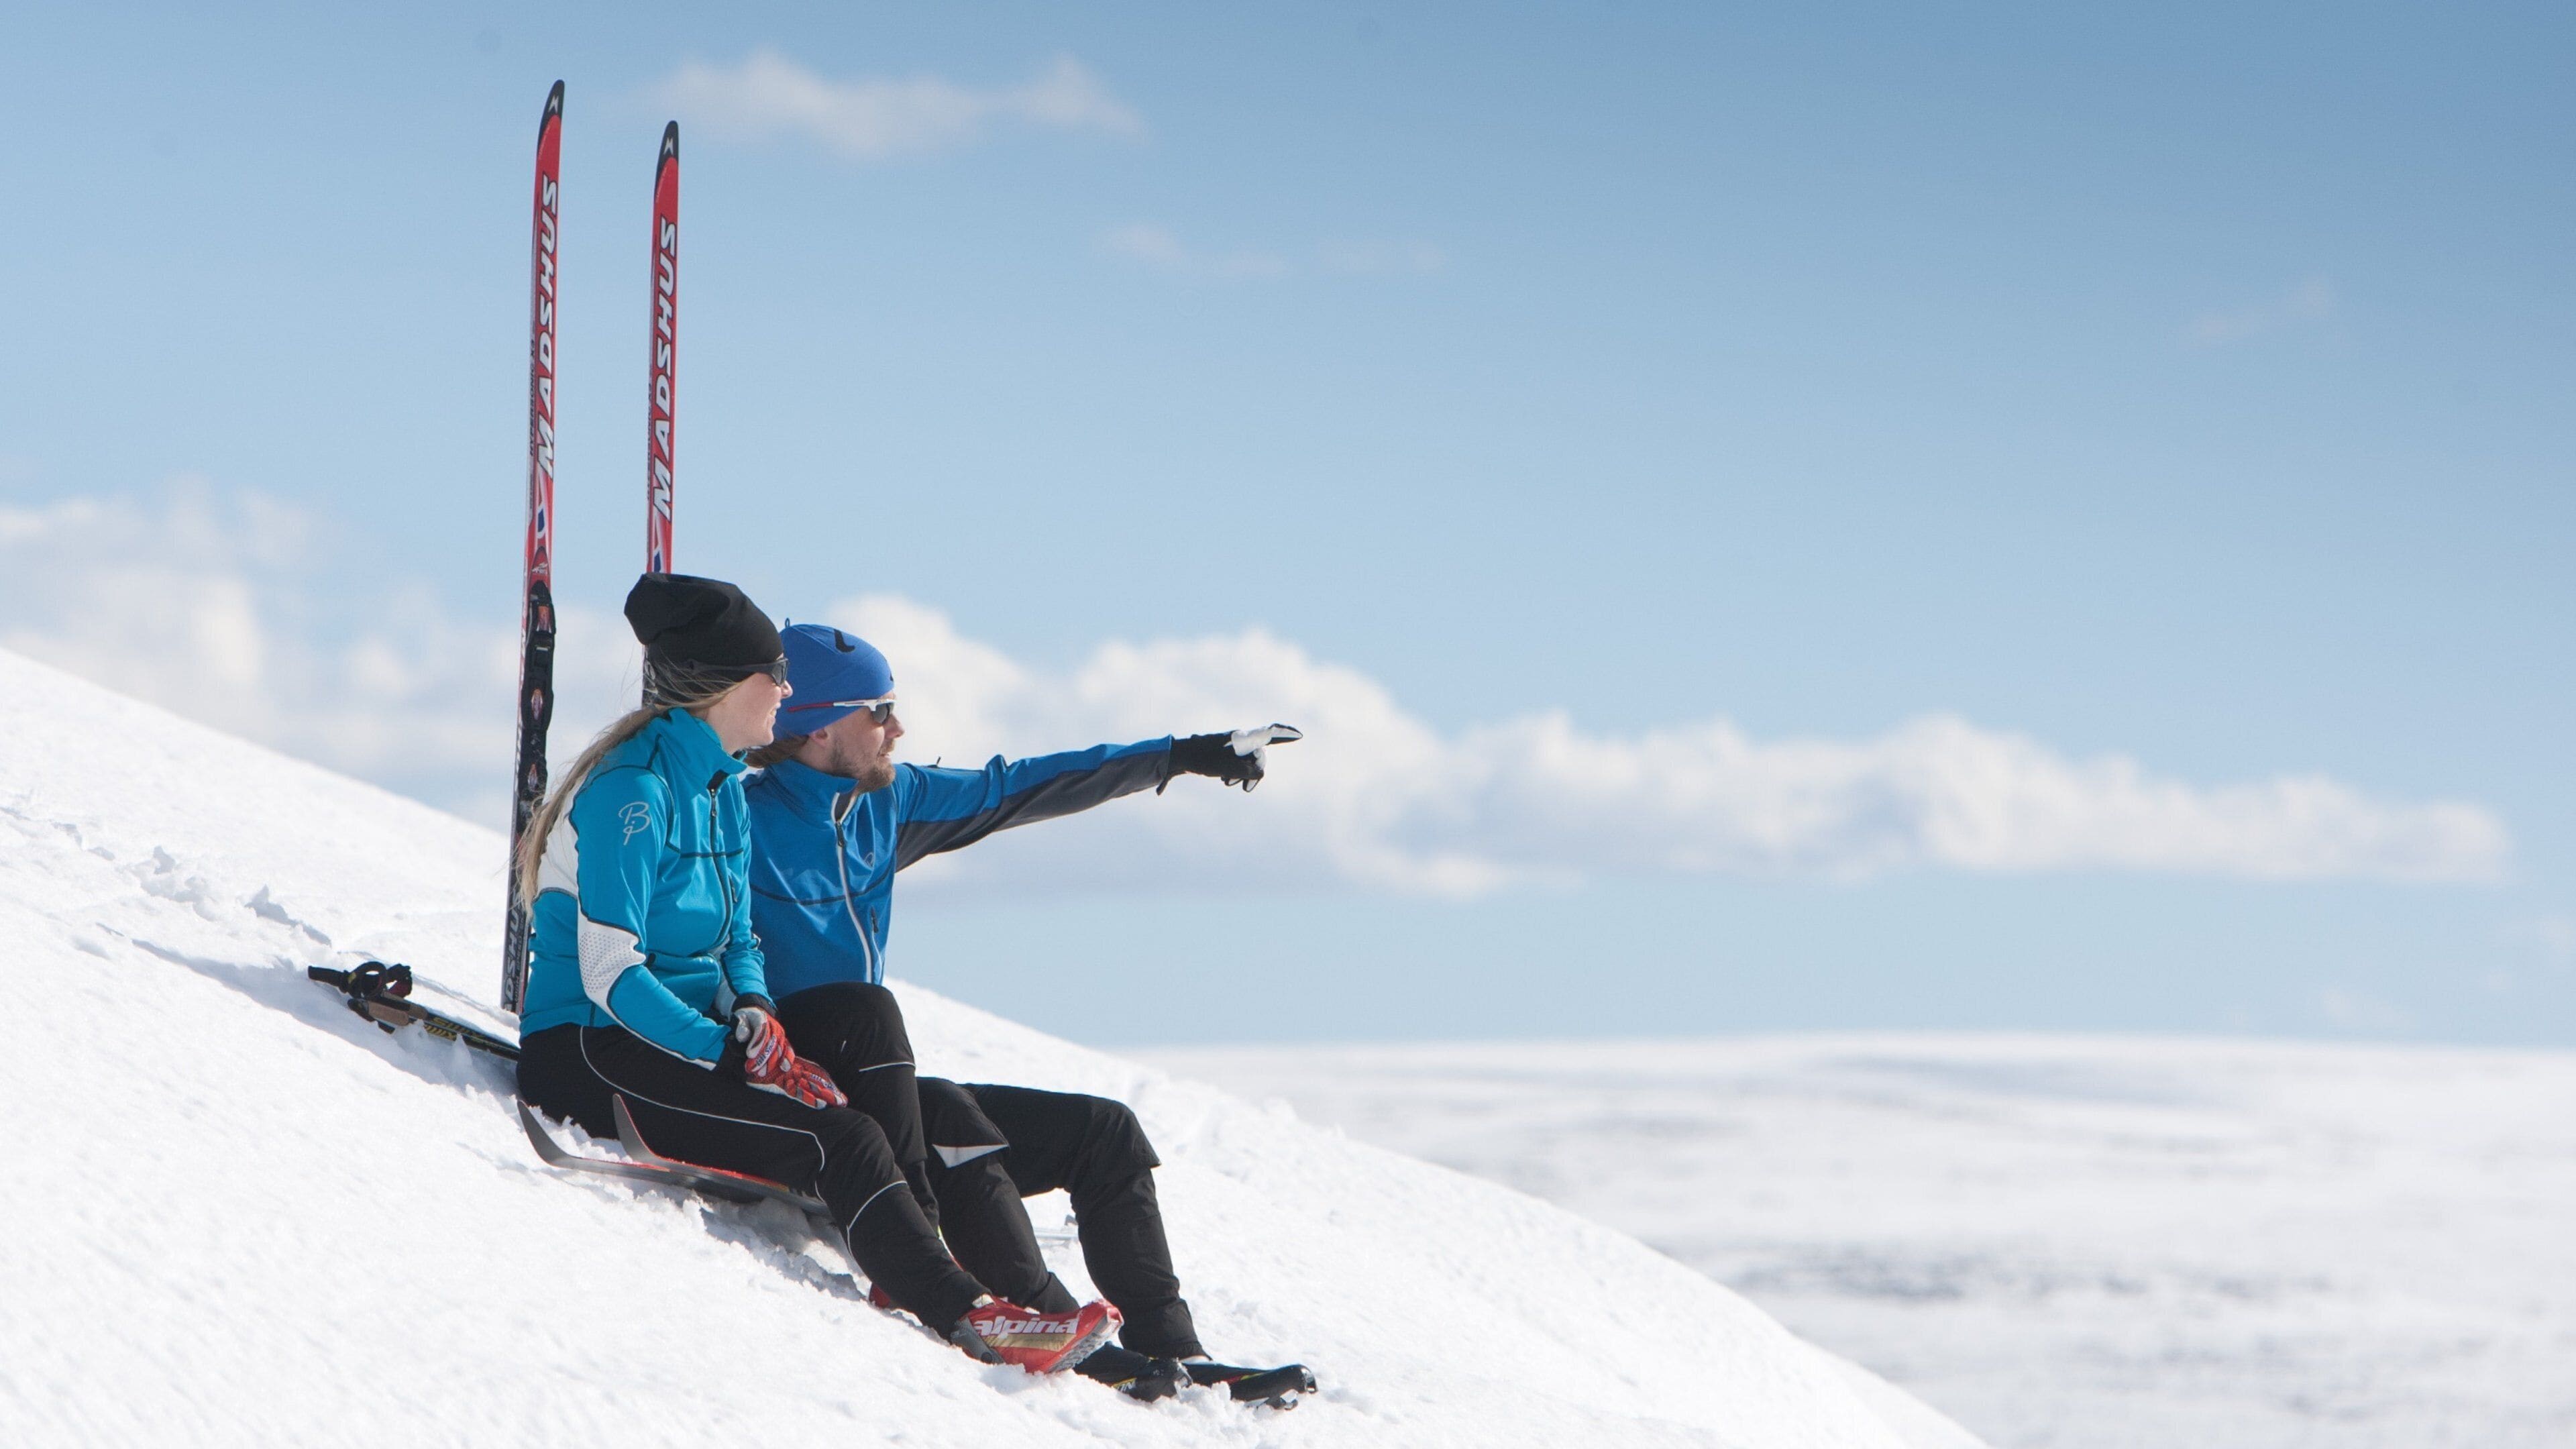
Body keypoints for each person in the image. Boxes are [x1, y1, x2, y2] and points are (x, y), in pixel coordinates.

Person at [512, 574, 1117, 1373]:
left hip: (682, 1039)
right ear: (731, 686)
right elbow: (607, 974)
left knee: (865, 1019)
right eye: (778, 675)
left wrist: (757, 1013)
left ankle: (933, 1261)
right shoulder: (635, 791)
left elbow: (738, 941)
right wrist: (725, 1052)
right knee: (842, 1141)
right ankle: (967, 1310)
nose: (789, 691)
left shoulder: (722, 783)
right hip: (592, 1049)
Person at [741, 621, 1305, 1401]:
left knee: (1104, 1132)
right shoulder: (735, 821)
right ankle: (1047, 1327)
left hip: (881, 1086)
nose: (898, 728)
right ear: (821, 725)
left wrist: (1180, 755)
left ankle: (1173, 1350)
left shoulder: (889, 803)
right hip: (805, 1091)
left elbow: (1020, 785)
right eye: (881, 710)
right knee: (934, 1098)